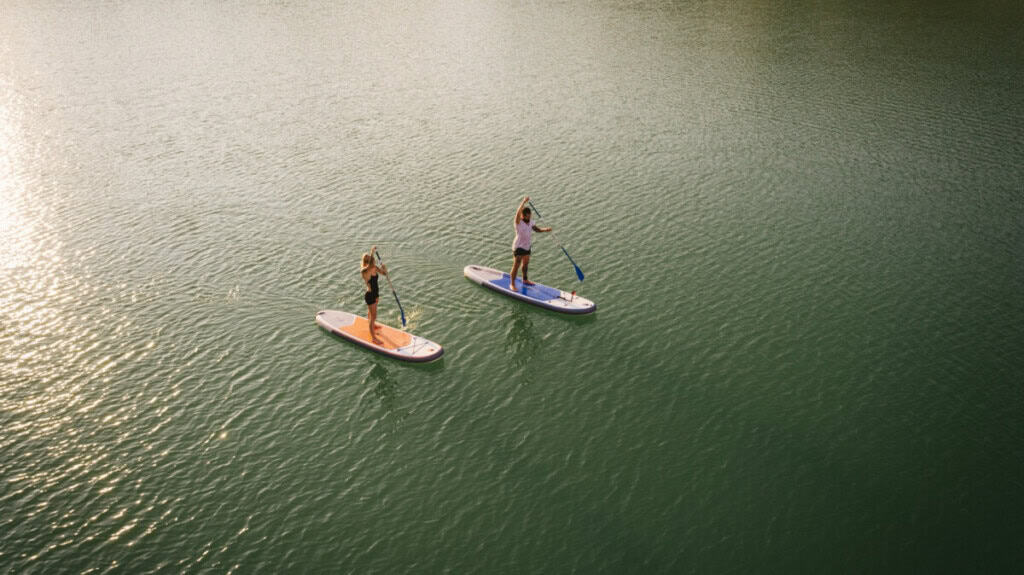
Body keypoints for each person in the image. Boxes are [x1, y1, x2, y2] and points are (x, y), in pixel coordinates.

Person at [510, 196, 551, 291]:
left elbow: (536, 229)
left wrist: (546, 230)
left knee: (525, 265)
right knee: (516, 265)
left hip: (527, 247)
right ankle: (512, 284)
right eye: (527, 216)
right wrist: (523, 202)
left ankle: (525, 280)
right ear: (523, 216)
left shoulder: (531, 222)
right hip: (518, 247)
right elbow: (517, 212)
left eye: (530, 215)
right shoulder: (518, 222)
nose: (529, 217)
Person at [361, 245, 387, 344]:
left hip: (376, 294)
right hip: (370, 295)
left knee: (371, 314)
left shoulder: (375, 268)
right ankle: (373, 338)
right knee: (373, 316)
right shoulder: (364, 271)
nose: (371, 259)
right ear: (366, 261)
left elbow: (384, 274)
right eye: (368, 258)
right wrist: (372, 251)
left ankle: (372, 325)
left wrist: (384, 268)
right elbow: (370, 264)